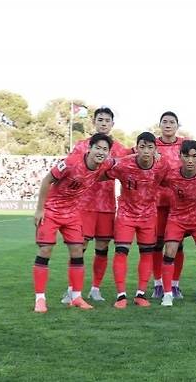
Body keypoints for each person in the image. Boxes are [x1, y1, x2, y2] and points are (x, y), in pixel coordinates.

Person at [32, 133, 115, 313]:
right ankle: (40, 299)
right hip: (52, 210)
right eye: (98, 148)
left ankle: (76, 297)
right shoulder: (70, 162)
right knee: (45, 250)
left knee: (77, 251)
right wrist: (40, 209)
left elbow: (123, 162)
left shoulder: (105, 165)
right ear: (90, 148)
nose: (101, 152)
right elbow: (47, 180)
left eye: (105, 149)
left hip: (72, 213)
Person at [61, 106, 132, 304]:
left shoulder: (118, 148)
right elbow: (68, 170)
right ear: (94, 122)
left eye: (107, 120)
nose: (103, 123)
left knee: (102, 248)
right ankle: (72, 290)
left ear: (112, 124)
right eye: (100, 119)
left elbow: (130, 163)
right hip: (83, 205)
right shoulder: (81, 146)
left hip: (107, 206)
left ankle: (95, 289)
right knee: (79, 248)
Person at [106, 132, 169, 309]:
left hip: (149, 216)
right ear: (137, 148)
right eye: (142, 146)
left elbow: (171, 181)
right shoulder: (124, 164)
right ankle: (121, 295)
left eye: (150, 147)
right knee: (121, 252)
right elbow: (103, 172)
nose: (146, 151)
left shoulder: (161, 165)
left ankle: (141, 294)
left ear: (156, 149)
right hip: (126, 215)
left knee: (147, 253)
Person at [159, 140, 196, 306]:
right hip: (177, 219)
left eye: (194, 156)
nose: (190, 160)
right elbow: (152, 178)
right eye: (186, 156)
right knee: (170, 251)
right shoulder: (170, 174)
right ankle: (168, 294)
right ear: (180, 157)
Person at [152, 111, 186, 299]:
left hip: (178, 204)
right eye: (164, 122)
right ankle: (158, 284)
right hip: (155, 203)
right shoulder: (151, 145)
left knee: (177, 246)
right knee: (156, 245)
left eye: (172, 122)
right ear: (160, 125)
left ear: (177, 125)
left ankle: (174, 284)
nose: (168, 125)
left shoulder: (185, 144)